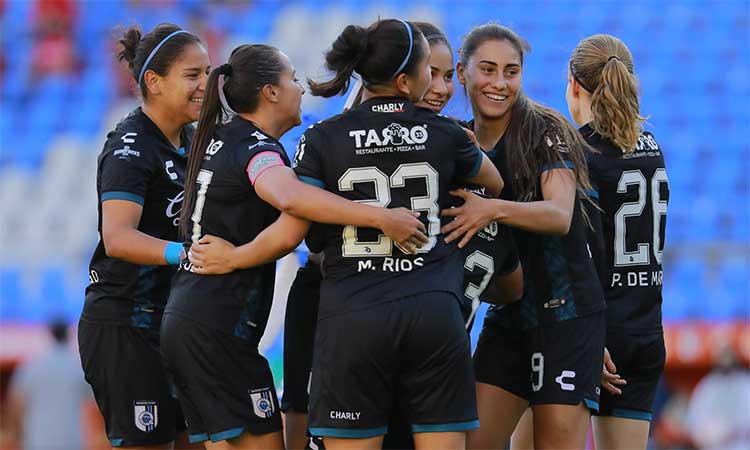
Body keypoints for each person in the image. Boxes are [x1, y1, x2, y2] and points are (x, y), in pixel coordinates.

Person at [160, 42, 428, 450]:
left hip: (191, 319)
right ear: (270, 92)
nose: (300, 89)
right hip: (216, 328)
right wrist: (380, 217)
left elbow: (288, 228)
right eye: (293, 80)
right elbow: (291, 200)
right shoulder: (256, 150)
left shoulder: (224, 138)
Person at [295, 18, 501, 450]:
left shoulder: (322, 138)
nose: (436, 82)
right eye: (430, 69)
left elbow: (302, 220)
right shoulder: (447, 134)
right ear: (405, 80)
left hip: (354, 318)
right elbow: (494, 183)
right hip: (433, 315)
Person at [441, 23, 606, 450]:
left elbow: (558, 215)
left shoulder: (544, 129)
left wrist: (491, 208)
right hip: (509, 317)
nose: (499, 84)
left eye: (511, 72)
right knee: (471, 444)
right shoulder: (457, 141)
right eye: (488, 70)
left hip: (566, 319)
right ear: (461, 71)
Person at [77, 23, 209, 449]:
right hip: (125, 324)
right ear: (153, 81)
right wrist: (186, 254)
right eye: (193, 75)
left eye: (207, 73)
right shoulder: (130, 145)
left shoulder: (194, 140)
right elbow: (118, 238)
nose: (205, 85)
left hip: (174, 323)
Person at [566, 33, 670, 450]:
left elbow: (580, 255)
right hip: (647, 330)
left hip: (600, 334)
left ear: (574, 85)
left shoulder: (581, 153)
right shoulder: (652, 147)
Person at [6, 320, 92, 450]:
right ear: (68, 334)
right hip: (70, 438)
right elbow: (94, 399)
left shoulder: (31, 365)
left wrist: (17, 433)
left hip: (38, 438)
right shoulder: (78, 366)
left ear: (50, 334)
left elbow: (16, 402)